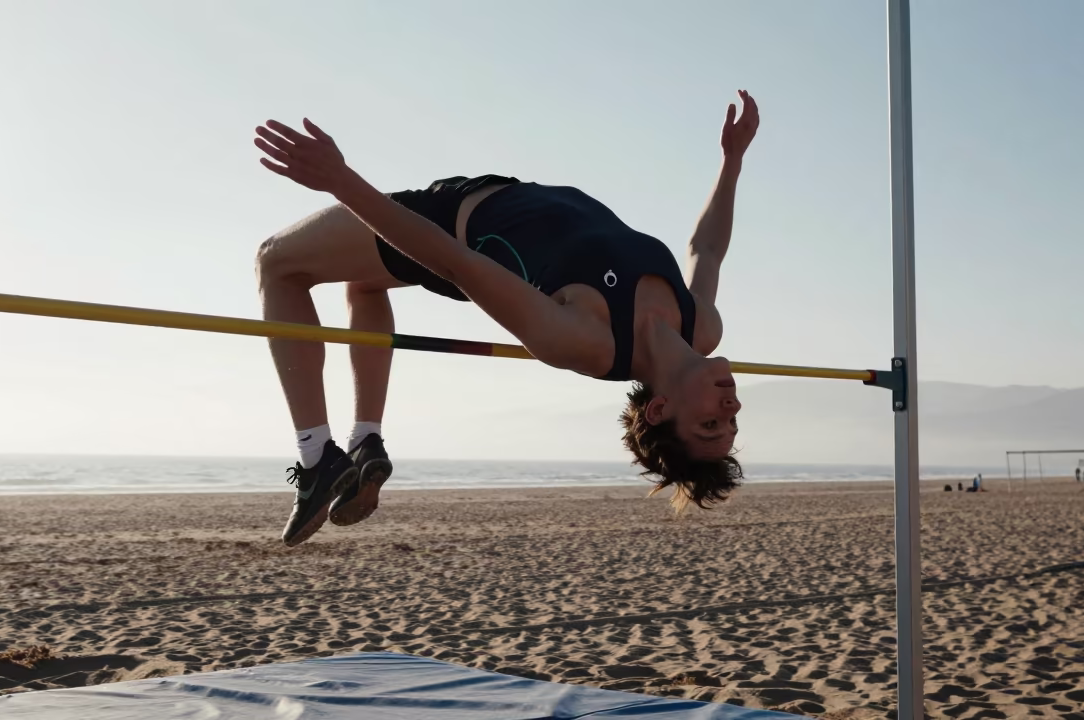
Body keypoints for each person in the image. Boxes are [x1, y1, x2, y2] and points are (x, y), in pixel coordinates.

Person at [254, 91, 760, 546]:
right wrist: (732, 161)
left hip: (446, 223)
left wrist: (341, 181)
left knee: (277, 261)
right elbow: (707, 249)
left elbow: (453, 260)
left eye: (711, 421)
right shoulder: (701, 326)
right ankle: (365, 441)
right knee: (364, 284)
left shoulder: (586, 341)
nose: (732, 403)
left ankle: (315, 454)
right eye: (732, 420)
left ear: (659, 410)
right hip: (492, 201)